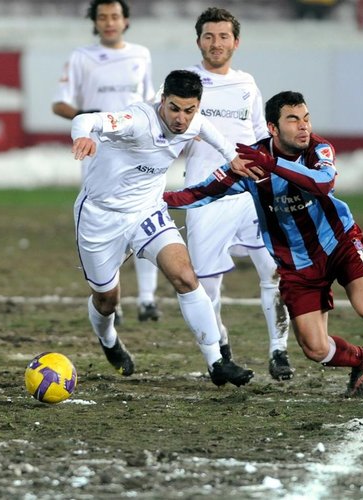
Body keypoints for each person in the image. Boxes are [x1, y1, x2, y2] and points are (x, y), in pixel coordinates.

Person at [163, 90, 363, 397]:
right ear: (273, 128)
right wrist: (154, 200)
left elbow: (323, 183)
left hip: (338, 241)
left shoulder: (319, 149)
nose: (303, 126)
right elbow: (199, 194)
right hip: (296, 262)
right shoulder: (251, 161)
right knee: (315, 349)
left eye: (306, 118)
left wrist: (273, 165)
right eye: (293, 119)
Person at [70, 69, 254, 387]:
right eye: (174, 108)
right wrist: (82, 137)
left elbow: (208, 130)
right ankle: (109, 339)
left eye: (189, 110)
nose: (181, 119)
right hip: (101, 217)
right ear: (162, 99)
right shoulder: (136, 120)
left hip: (147, 212)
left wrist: (232, 158)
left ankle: (217, 362)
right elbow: (88, 121)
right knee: (106, 300)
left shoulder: (192, 121)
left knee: (184, 276)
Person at [179, 7, 293, 381]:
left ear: (236, 42)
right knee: (206, 288)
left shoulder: (247, 84)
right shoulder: (185, 84)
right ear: (198, 41)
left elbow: (263, 135)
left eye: (224, 36)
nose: (217, 43)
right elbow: (166, 136)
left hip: (252, 196)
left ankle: (279, 351)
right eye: (209, 36)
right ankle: (219, 350)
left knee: (274, 271)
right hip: (205, 198)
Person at [52, 0, 161, 325]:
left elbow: (151, 99)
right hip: (97, 153)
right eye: (103, 17)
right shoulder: (80, 58)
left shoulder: (141, 55)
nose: (109, 22)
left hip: (138, 150)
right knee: (109, 226)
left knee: (145, 215)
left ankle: (147, 299)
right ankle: (115, 296)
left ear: (125, 20)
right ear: (95, 22)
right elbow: (59, 104)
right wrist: (86, 118)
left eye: (115, 16)